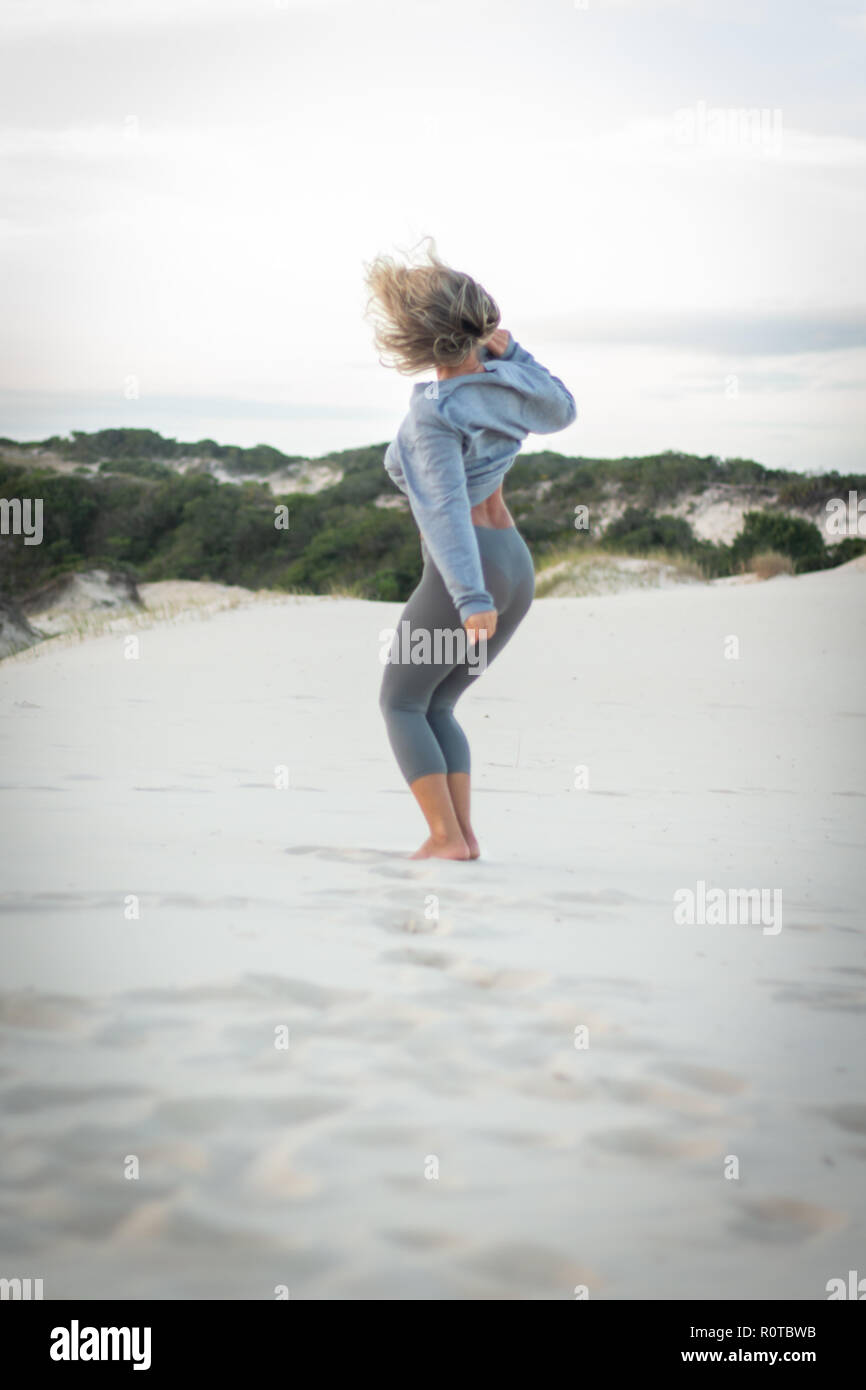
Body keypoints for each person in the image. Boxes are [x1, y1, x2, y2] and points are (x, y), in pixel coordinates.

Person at [365, 239, 576, 859]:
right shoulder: (509, 382)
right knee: (440, 702)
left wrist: (469, 598)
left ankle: (443, 837)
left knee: (400, 703)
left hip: (471, 571)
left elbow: (445, 513)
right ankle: (462, 836)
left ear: (417, 342)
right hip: (515, 561)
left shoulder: (432, 416)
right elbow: (562, 409)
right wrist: (518, 353)